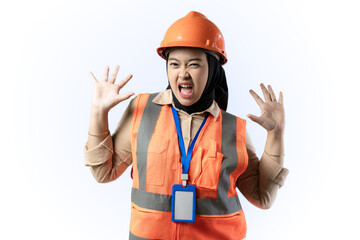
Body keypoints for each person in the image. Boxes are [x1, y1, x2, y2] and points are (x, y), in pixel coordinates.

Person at [84, 11, 288, 240]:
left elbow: (263, 198)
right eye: (174, 64)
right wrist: (98, 112)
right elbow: (103, 173)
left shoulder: (233, 128)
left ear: (212, 70)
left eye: (194, 64)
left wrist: (276, 134)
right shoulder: (141, 110)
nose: (183, 73)